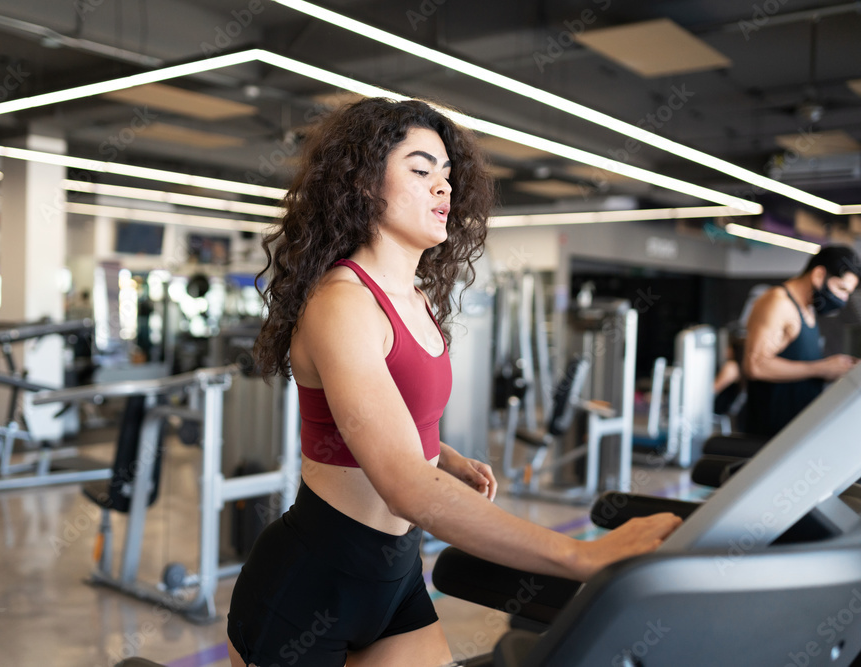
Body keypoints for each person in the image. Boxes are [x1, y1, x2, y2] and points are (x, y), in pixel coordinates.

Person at [226, 98, 680, 667]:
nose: (443, 188)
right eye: (421, 171)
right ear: (363, 184)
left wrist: (442, 456)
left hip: (395, 575)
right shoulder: (343, 303)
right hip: (312, 580)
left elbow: (384, 418)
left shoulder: (416, 300)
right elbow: (404, 485)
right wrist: (578, 556)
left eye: (447, 174)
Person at [742, 245, 861, 438]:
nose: (843, 299)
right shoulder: (778, 302)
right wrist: (821, 368)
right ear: (818, 275)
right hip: (770, 435)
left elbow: (798, 363)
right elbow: (756, 366)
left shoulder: (808, 307)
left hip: (795, 431)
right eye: (841, 288)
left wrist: (836, 369)